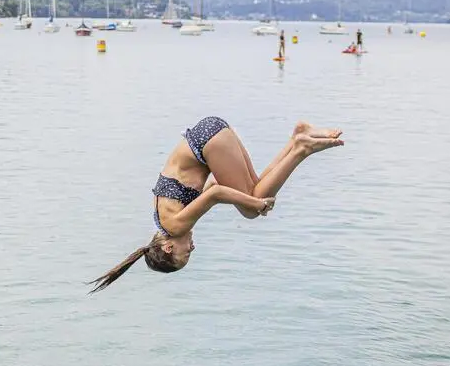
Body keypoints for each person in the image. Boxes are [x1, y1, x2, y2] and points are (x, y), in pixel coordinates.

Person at [89, 118, 343, 292]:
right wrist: (252, 200)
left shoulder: (175, 226)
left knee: (252, 207)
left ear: (168, 247)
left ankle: (301, 148)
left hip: (206, 144)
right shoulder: (166, 221)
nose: (192, 246)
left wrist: (254, 204)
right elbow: (211, 189)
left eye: (186, 253)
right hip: (209, 133)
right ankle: (298, 138)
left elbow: (218, 192)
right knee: (256, 189)